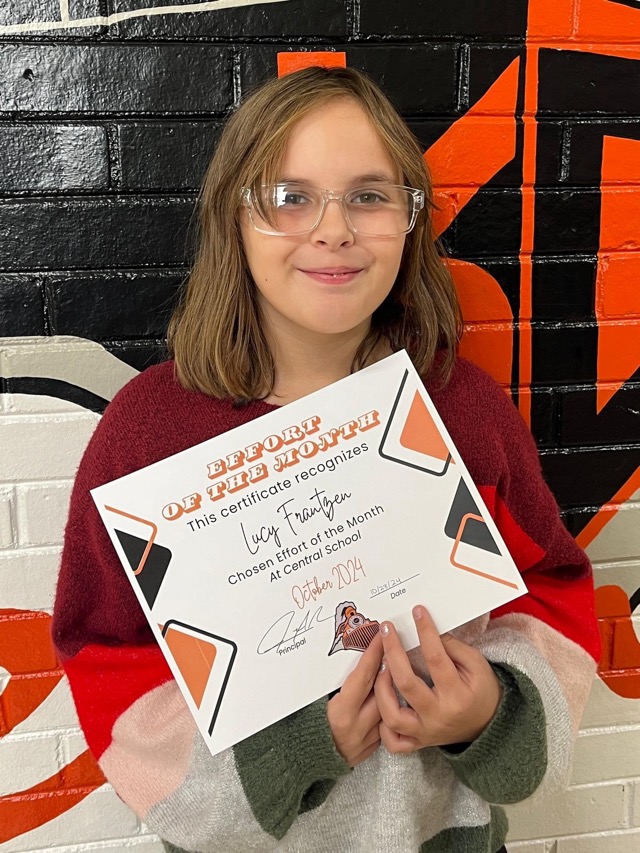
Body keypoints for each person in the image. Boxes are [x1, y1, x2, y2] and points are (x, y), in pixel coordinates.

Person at [52, 66, 601, 853]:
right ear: (234, 218)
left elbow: (553, 596)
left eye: (369, 196)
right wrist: (294, 747)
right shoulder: (146, 435)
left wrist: (490, 710)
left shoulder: (467, 414)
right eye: (290, 197)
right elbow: (111, 667)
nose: (334, 229)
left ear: (410, 218)